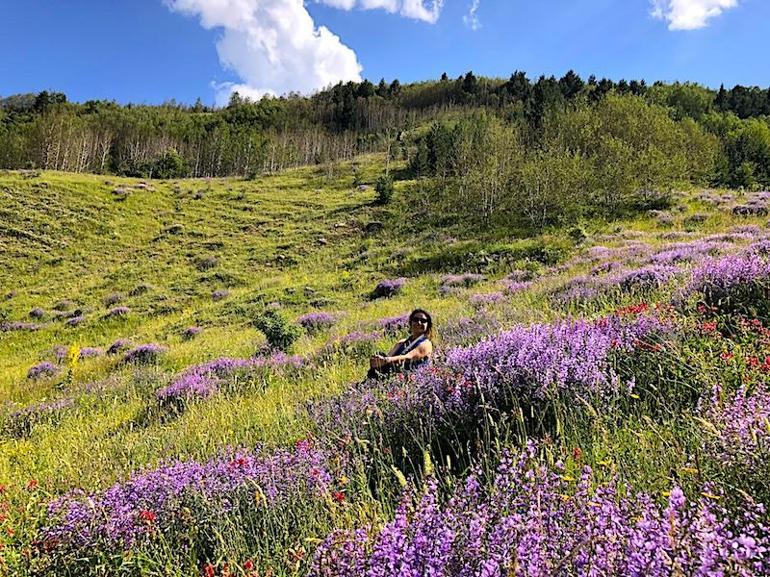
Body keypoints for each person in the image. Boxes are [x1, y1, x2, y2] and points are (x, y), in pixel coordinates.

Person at [368, 309, 434, 379]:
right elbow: (389, 357)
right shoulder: (402, 342)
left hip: (411, 380)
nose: (419, 323)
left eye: (423, 321)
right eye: (415, 319)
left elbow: (409, 357)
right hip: (393, 377)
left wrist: (386, 360)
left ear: (428, 325)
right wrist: (379, 361)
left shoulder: (426, 344)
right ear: (411, 322)